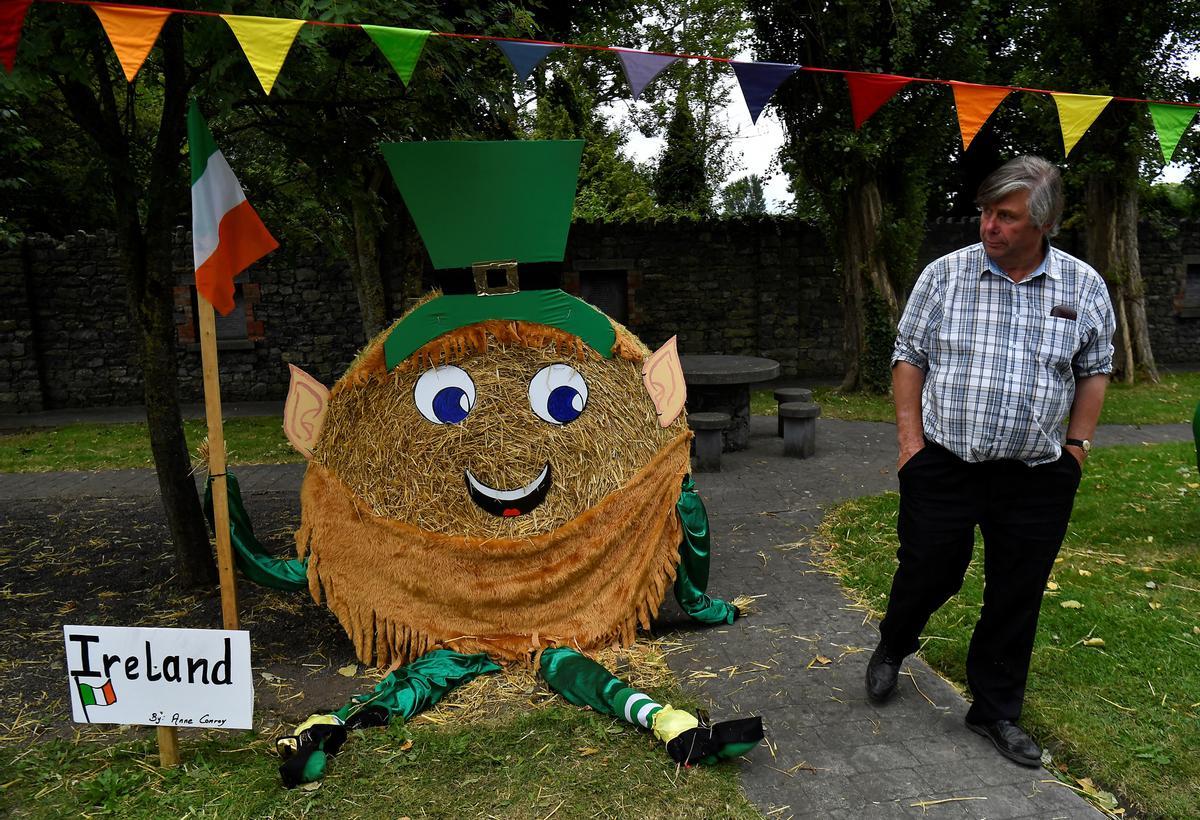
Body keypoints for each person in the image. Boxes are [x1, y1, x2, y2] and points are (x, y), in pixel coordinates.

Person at [866, 155, 1116, 767]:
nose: (989, 226)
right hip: (944, 464)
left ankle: (996, 709)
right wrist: (909, 444)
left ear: (1044, 222)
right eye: (985, 213)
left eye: (1005, 216)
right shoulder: (944, 276)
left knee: (1016, 591)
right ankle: (893, 645)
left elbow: (1095, 369)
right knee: (929, 570)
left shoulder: (1082, 286)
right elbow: (908, 357)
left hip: (1036, 476)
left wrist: (1077, 447)